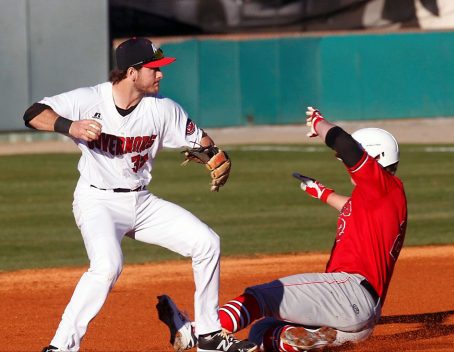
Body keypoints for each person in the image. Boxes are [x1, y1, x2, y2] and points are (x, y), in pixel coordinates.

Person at [23, 37, 256, 352]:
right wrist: (70, 127)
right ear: (131, 72)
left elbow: (201, 139)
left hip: (141, 202)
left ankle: (210, 335)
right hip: (97, 201)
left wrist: (210, 152)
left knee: (207, 242)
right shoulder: (89, 99)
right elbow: (33, 114)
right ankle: (61, 346)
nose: (161, 75)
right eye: (154, 69)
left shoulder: (163, 109)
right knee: (107, 265)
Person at [160, 106, 408, 351]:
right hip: (358, 320)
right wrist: (322, 192)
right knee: (260, 332)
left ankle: (194, 332)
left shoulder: (381, 185)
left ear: (375, 159)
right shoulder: (383, 198)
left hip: (347, 291)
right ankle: (307, 339)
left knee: (259, 298)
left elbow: (344, 144)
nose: (343, 161)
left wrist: (319, 123)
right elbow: (352, 208)